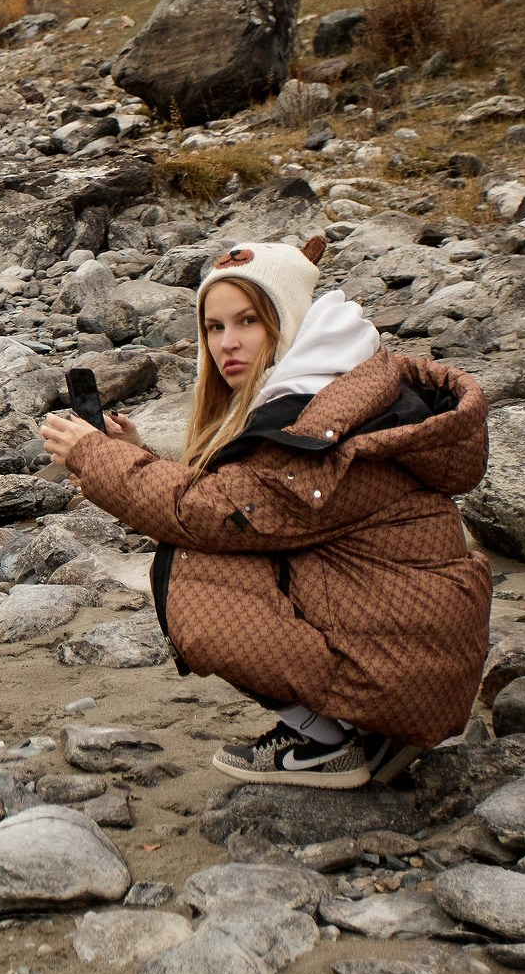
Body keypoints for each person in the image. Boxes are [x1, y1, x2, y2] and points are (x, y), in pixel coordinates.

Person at [37, 237, 491, 790]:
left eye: (247, 321)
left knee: (188, 571)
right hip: (419, 650)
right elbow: (249, 501)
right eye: (214, 327)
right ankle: (370, 729)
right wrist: (136, 455)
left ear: (288, 320)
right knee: (221, 550)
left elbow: (207, 514)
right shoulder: (337, 387)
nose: (228, 344)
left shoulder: (314, 422)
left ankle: (328, 741)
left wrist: (94, 455)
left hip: (410, 669)